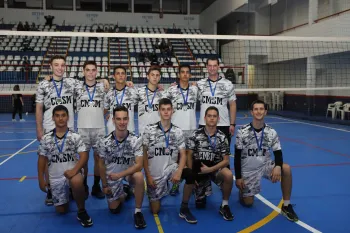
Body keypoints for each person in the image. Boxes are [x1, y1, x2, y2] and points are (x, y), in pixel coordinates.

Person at [234, 100, 299, 222]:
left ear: (265, 112)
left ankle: (286, 205)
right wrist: (238, 177)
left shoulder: (271, 132)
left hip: (265, 166)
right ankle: (242, 192)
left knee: (286, 168)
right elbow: (237, 157)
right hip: (248, 170)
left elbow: (278, 153)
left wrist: (278, 166)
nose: (259, 111)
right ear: (252, 112)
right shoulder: (242, 131)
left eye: (261, 109)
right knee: (248, 203)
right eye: (256, 109)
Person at [37, 105, 93, 227]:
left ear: (67, 117)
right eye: (57, 116)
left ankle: (81, 211)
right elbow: (41, 159)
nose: (60, 119)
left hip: (72, 173)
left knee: (77, 181)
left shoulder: (75, 136)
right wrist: (41, 179)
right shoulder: (46, 139)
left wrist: (74, 170)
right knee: (61, 211)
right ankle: (69, 194)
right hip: (56, 177)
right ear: (53, 118)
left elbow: (84, 156)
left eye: (63, 115)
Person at [142, 98, 197, 224]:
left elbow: (183, 154)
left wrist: (178, 172)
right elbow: (144, 154)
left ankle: (184, 208)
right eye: (163, 110)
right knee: (155, 210)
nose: (166, 112)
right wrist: (148, 176)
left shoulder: (177, 131)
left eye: (168, 109)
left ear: (172, 111)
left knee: (189, 174)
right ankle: (159, 189)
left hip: (171, 168)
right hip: (155, 173)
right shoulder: (149, 130)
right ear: (159, 111)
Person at [98, 105, 146, 229]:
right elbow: (101, 164)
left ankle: (138, 212)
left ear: (128, 119)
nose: (122, 122)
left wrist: (120, 175)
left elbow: (139, 165)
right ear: (113, 120)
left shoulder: (135, 140)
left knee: (139, 177)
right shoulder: (104, 141)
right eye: (118, 119)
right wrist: (104, 185)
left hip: (127, 175)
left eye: (125, 119)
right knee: (114, 209)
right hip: (112, 177)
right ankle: (125, 192)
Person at [187, 106, 234, 221]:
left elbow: (226, 160)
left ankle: (225, 205)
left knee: (228, 175)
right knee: (200, 205)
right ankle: (198, 191)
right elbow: (188, 156)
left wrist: (211, 169)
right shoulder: (195, 135)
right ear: (205, 118)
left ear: (218, 119)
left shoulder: (222, 137)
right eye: (209, 116)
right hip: (200, 170)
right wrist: (191, 176)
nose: (212, 118)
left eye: (214, 116)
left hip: (215, 169)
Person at [165, 65, 198, 196]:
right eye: (182, 72)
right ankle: (175, 183)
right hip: (176, 129)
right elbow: (161, 100)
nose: (185, 74)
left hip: (191, 128)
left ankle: (191, 182)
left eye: (187, 72)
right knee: (175, 158)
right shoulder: (171, 90)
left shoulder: (195, 89)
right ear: (179, 75)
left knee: (190, 156)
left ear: (190, 75)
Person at [75, 60, 106, 199]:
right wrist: (48, 77)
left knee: (99, 159)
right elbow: (60, 79)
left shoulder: (103, 87)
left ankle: (96, 186)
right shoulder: (76, 87)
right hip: (82, 128)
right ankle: (84, 186)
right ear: (83, 71)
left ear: (96, 72)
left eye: (93, 70)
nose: (91, 73)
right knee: (84, 160)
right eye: (88, 70)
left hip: (99, 128)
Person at [197, 58, 237, 145]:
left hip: (222, 124)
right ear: (207, 67)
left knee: (223, 155)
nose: (212, 68)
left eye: (214, 65)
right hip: (204, 124)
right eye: (210, 66)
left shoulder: (228, 84)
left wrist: (232, 124)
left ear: (218, 66)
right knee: (204, 154)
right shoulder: (200, 84)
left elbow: (232, 104)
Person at [104, 66, 138, 135]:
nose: (120, 75)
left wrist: (157, 85)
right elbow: (105, 109)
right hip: (112, 129)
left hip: (129, 129)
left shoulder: (133, 92)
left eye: (122, 73)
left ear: (125, 76)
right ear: (114, 76)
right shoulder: (109, 93)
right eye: (118, 73)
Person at [136, 66, 166, 136]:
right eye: (152, 75)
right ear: (147, 76)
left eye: (157, 75)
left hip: (159, 132)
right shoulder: (139, 92)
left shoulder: (163, 94)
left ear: (160, 77)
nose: (155, 77)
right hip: (143, 132)